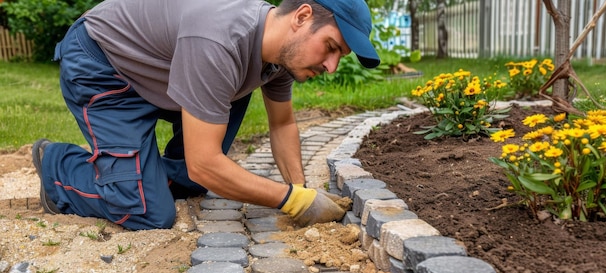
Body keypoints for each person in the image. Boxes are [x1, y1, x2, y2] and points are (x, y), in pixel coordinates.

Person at [32, 0, 380, 230]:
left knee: (198, 180)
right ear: (302, 17)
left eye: (340, 56)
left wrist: (301, 190)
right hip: (105, 67)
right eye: (331, 47)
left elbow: (283, 123)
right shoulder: (221, 39)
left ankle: (147, 172)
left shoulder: (279, 59)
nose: (332, 66)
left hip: (167, 72)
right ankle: (58, 165)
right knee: (150, 212)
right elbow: (205, 163)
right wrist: (290, 200)